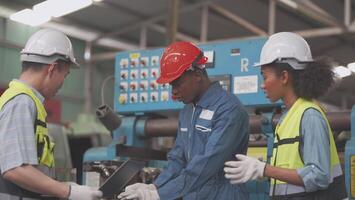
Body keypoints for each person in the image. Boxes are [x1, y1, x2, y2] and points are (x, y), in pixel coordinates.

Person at [118, 41, 250, 200]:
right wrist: (155, 185)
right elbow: (178, 159)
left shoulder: (228, 109)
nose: (174, 92)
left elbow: (207, 164)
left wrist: (159, 195)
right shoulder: (188, 111)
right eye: (171, 85)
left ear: (197, 75)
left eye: (177, 84)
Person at [224, 32, 347, 200]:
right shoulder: (287, 117)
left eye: (265, 76)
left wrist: (264, 169)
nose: (262, 85)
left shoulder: (309, 115)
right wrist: (261, 170)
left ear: (284, 77)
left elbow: (319, 176)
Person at [0, 29, 103, 200]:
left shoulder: (28, 101)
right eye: (65, 74)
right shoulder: (22, 102)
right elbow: (14, 169)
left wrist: (59, 185)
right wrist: (66, 192)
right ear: (52, 69)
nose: (63, 82)